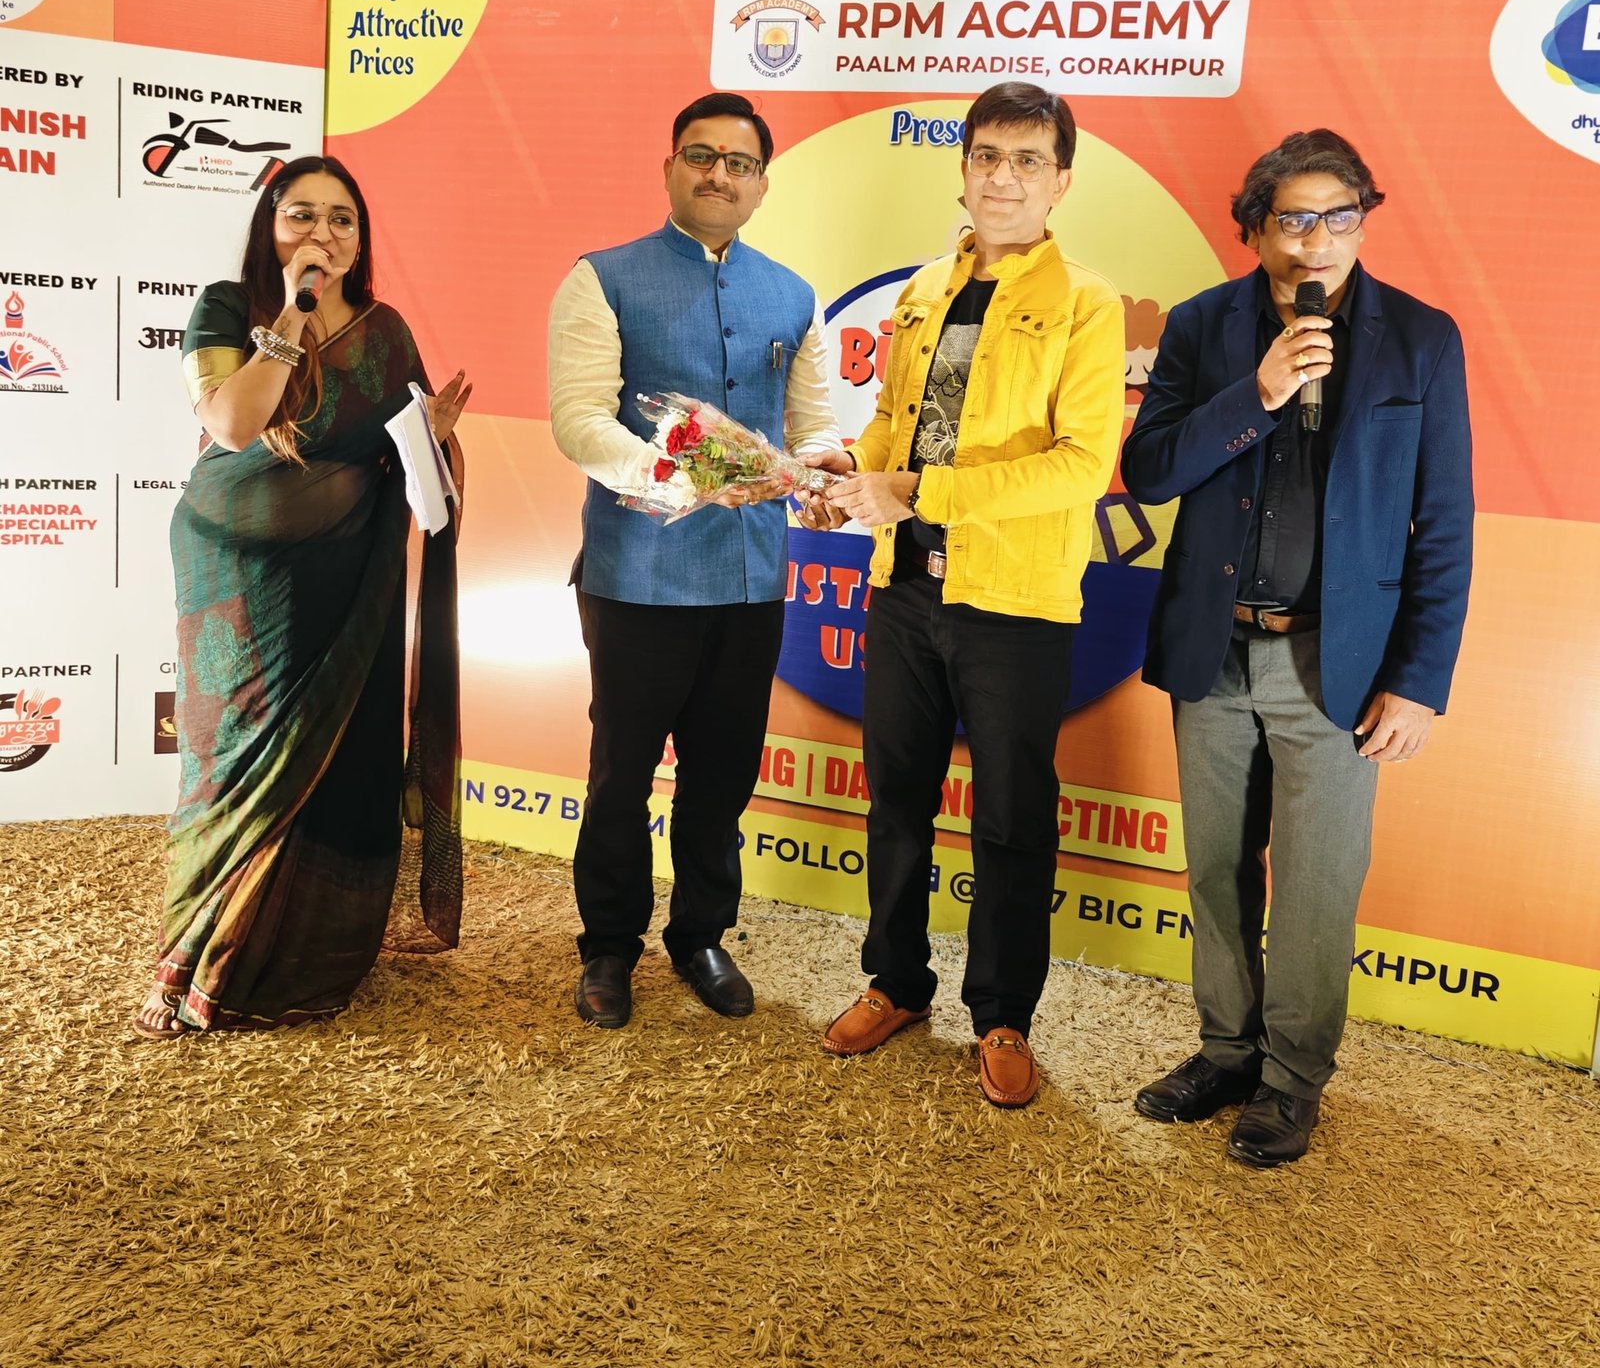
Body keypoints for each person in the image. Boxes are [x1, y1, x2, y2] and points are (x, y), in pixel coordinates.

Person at [1122, 129, 1473, 1165]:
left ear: (1363, 221)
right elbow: (1150, 471)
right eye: (1295, 218)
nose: (1318, 240)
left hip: (1340, 664)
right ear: (1254, 228)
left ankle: (1289, 1081)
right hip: (1213, 651)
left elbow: (1444, 522)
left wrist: (1418, 681)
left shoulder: (1422, 339)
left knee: (1316, 887)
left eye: (1340, 217)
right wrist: (1260, 392)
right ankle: (1226, 1052)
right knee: (1215, 870)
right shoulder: (1202, 326)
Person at [806, 82, 1125, 1108]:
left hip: (1015, 603)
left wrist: (915, 490)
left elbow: (1080, 466)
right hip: (903, 588)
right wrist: (851, 473)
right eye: (987, 155)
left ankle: (1002, 1013)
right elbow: (894, 424)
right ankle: (896, 981)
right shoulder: (923, 290)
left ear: (1061, 181)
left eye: (1028, 160)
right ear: (963, 169)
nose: (1004, 177)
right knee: (896, 801)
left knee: (1012, 820)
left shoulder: (1087, 303)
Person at [132, 156, 472, 1039]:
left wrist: (429, 441)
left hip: (348, 578)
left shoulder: (386, 332)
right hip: (235, 578)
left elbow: (404, 461)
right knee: (233, 759)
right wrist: (292, 312)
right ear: (269, 228)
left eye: (342, 219)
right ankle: (200, 953)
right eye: (302, 216)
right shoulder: (228, 307)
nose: (324, 232)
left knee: (345, 753)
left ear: (362, 238)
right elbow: (233, 422)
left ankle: (314, 954)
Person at [548, 92, 842, 1029]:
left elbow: (811, 423)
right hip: (637, 576)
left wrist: (824, 466)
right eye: (701, 156)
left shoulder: (793, 295)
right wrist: (684, 473)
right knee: (621, 773)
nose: (720, 175)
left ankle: (701, 934)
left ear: (761, 183)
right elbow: (579, 420)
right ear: (670, 167)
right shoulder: (602, 278)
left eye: (739, 162)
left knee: (723, 774)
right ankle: (608, 945)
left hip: (752, 580)